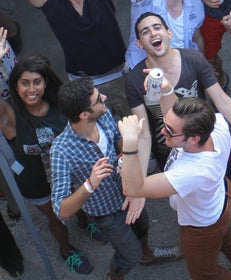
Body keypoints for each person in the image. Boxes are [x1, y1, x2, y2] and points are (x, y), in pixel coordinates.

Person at [127, 12, 231, 218]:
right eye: (145, 32)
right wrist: (139, 186)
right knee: (192, 200)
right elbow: (144, 133)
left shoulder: (193, 59)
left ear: (169, 32)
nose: (152, 33)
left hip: (206, 138)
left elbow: (223, 102)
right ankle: (209, 225)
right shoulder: (134, 80)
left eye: (157, 27)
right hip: (172, 148)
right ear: (139, 43)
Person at [50, 78, 179, 280]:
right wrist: (89, 184)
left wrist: (125, 155)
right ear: (84, 114)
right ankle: (115, 276)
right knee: (129, 255)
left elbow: (119, 145)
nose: (105, 98)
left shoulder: (103, 115)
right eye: (98, 99)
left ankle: (147, 255)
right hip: (106, 213)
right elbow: (61, 210)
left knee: (143, 226)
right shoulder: (61, 150)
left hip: (130, 192)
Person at [119, 99, 231, 280]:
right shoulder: (214, 124)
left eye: (169, 131)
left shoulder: (192, 172)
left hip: (201, 224)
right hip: (221, 197)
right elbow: (179, 114)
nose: (163, 132)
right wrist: (166, 89)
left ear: (194, 138)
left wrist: (130, 142)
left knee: (206, 275)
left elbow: (133, 188)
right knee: (225, 236)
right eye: (165, 125)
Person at [0, 54, 94, 274]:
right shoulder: (9, 112)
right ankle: (67, 249)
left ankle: (84, 220)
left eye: (36, 82)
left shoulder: (61, 104)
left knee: (80, 202)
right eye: (24, 83)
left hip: (70, 172)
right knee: (57, 217)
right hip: (36, 182)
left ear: (46, 82)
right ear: (16, 84)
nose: (31, 89)